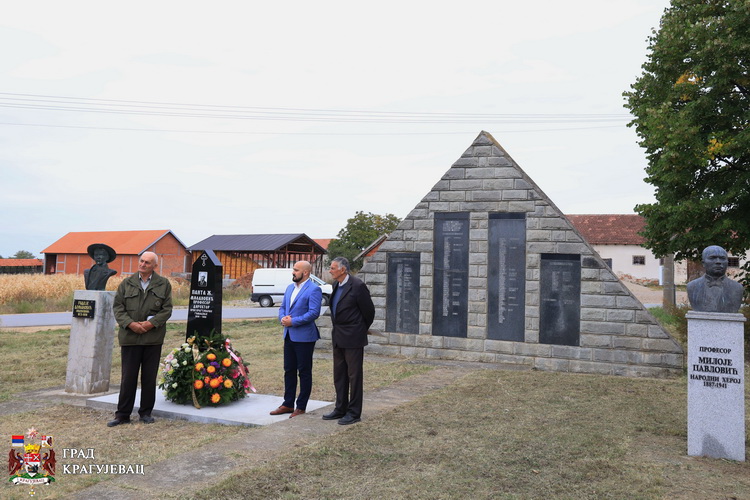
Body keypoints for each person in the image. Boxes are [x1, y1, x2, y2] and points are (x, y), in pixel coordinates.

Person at [108, 251, 173, 427]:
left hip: (152, 338)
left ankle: (145, 413)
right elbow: (118, 307)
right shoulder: (127, 283)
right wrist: (130, 324)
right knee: (128, 377)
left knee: (149, 378)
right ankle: (122, 415)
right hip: (130, 337)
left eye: (147, 262)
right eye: (142, 261)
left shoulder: (163, 284)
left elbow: (167, 309)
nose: (143, 264)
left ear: (155, 266)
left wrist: (151, 324)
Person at [322, 256, 375, 425]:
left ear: (343, 270)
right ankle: (340, 408)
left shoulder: (357, 286)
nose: (330, 271)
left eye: (333, 268)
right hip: (338, 336)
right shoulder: (336, 285)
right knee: (339, 374)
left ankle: (354, 412)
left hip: (353, 337)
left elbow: (369, 312)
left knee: (354, 376)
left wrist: (359, 328)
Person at [270, 261, 322, 418]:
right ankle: (288, 404)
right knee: (289, 370)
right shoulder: (290, 288)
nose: (293, 272)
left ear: (305, 272)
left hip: (305, 337)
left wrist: (293, 321)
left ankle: (301, 406)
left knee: (304, 372)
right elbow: (282, 308)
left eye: (296, 270)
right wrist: (282, 318)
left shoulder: (314, 289)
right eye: (293, 269)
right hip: (289, 335)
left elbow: (313, 313)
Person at [687, 245, 744, 313]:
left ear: (727, 262)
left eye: (722, 258)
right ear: (703, 263)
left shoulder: (737, 288)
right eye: (712, 258)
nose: (718, 262)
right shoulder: (692, 286)